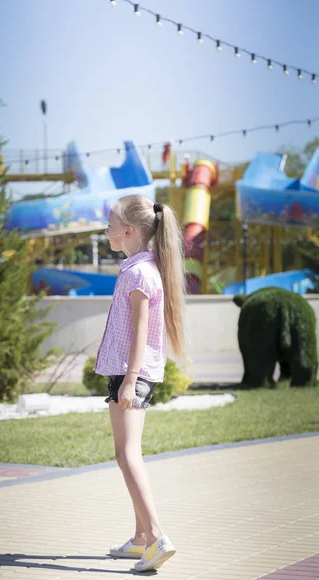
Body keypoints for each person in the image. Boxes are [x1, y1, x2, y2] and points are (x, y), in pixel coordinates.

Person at [94, 194, 186, 572]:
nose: (106, 230)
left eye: (110, 224)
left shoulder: (137, 274)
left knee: (126, 455)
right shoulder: (145, 268)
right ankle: (139, 539)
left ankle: (157, 536)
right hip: (136, 373)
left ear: (128, 231)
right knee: (129, 453)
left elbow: (139, 331)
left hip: (132, 374)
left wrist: (129, 382)